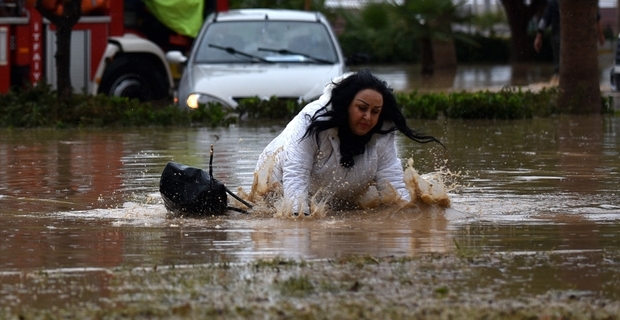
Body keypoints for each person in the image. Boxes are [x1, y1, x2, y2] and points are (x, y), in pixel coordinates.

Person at [251, 69, 443, 216]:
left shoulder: (382, 130)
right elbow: (295, 174)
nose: (368, 117)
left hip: (338, 188)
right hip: (278, 179)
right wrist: (298, 218)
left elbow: (392, 182)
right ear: (345, 104)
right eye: (362, 108)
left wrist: (415, 217)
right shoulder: (311, 121)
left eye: (375, 111)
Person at [534, 0, 605, 76]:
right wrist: (539, 36)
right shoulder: (554, 3)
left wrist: (600, 36)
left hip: (574, 40)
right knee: (561, 65)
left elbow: (595, 17)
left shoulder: (582, 3)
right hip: (561, 39)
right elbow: (544, 19)